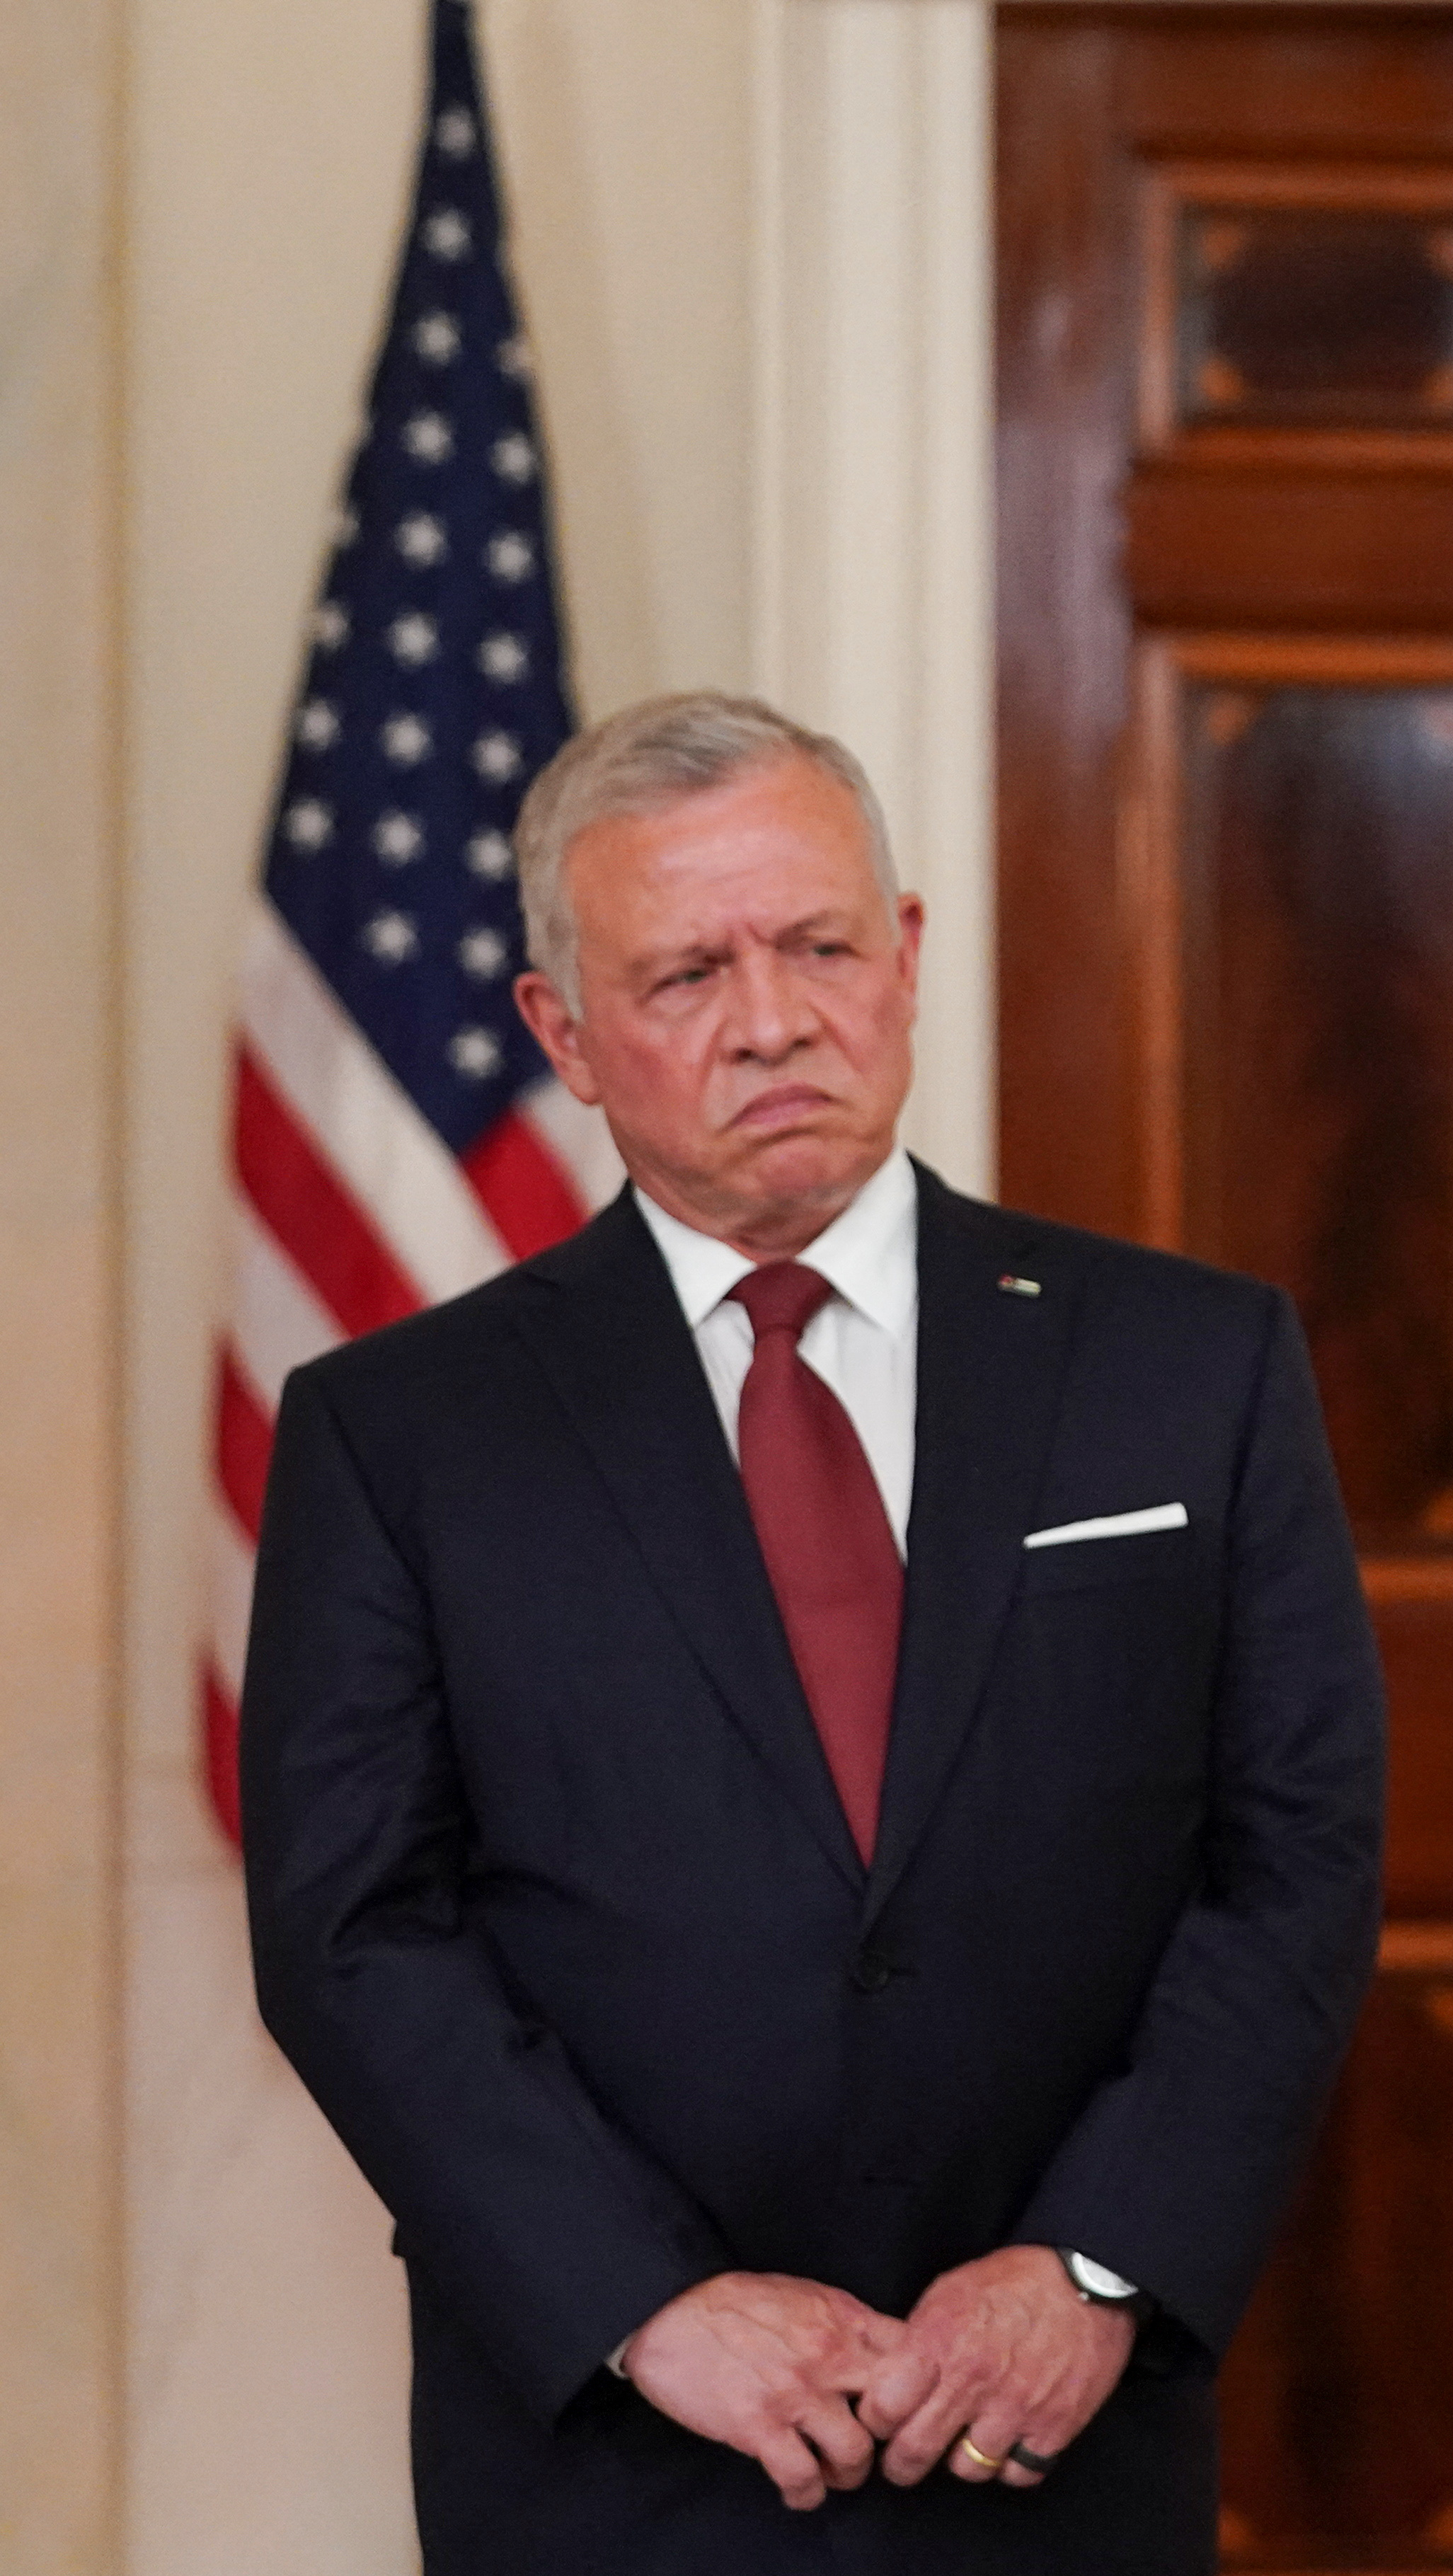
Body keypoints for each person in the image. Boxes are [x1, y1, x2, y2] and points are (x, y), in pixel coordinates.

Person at [240, 691, 1386, 2572]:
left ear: (909, 956)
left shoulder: (1195, 1368)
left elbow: (1295, 1858)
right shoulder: (401, 1435)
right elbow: (357, 1932)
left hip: (1061, 2440)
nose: (774, 1021)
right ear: (566, 1035)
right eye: (688, 973)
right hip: (621, 2463)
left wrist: (1094, 2267)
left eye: (821, 947)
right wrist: (647, 2308)